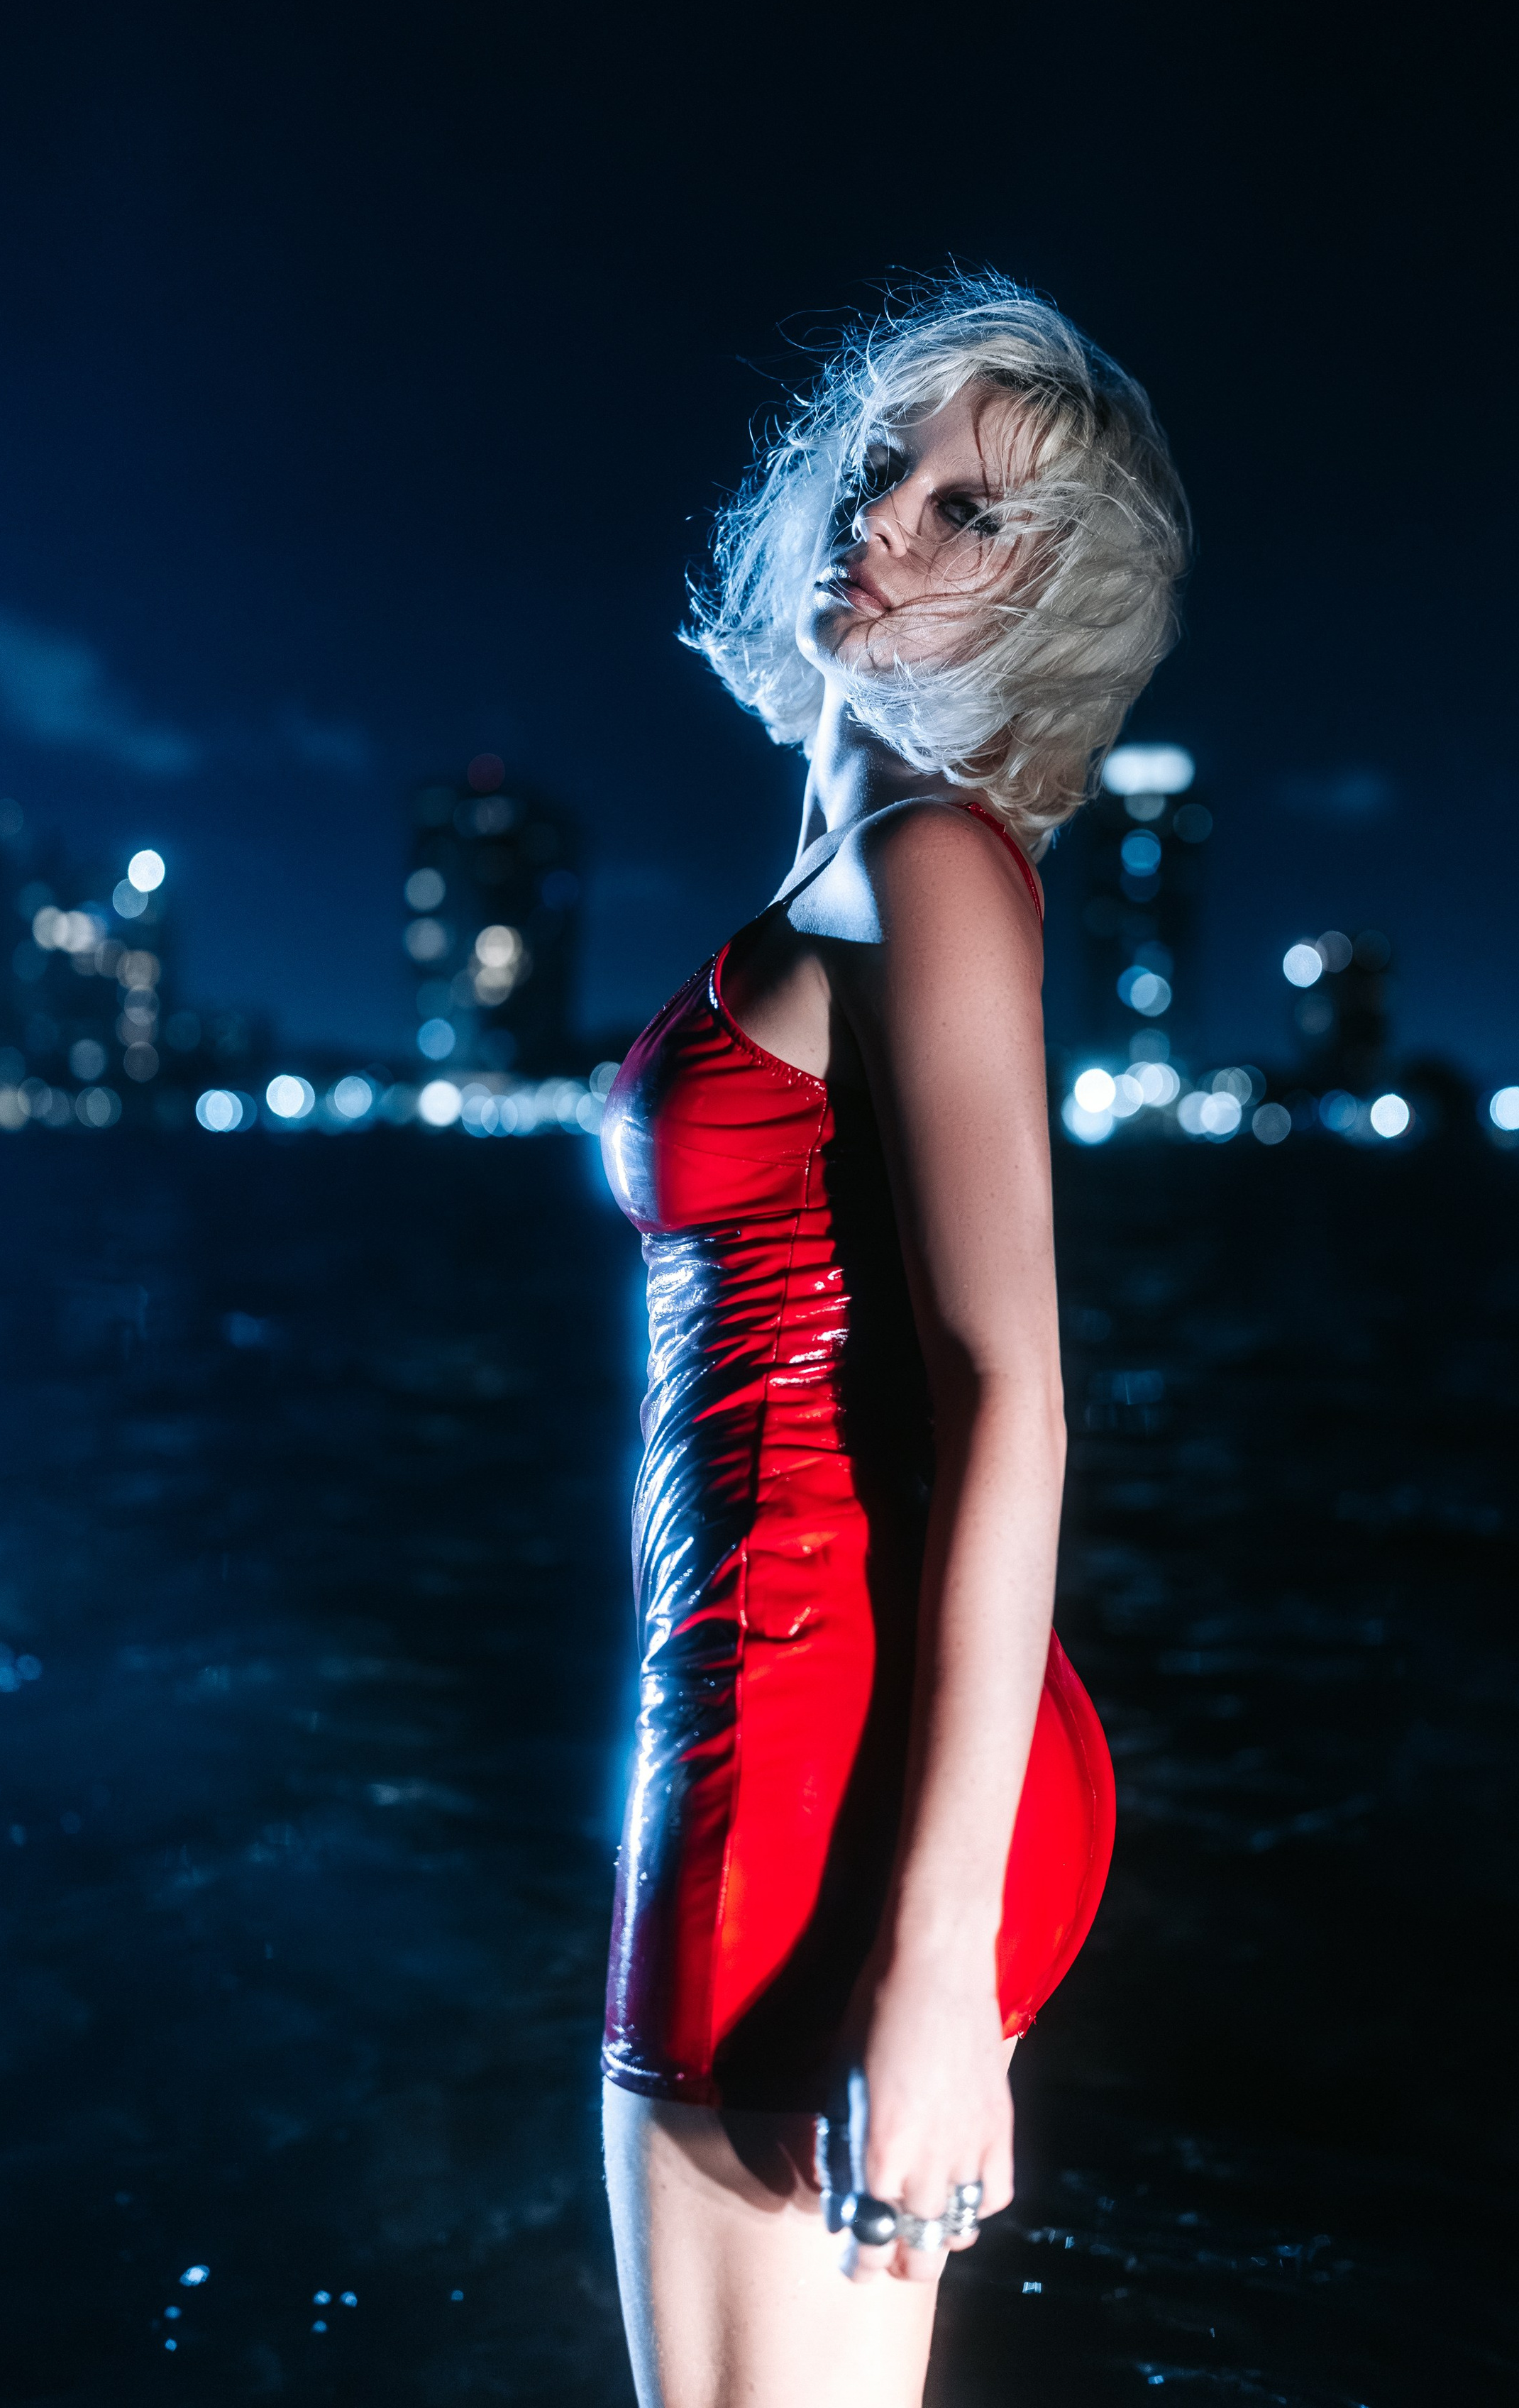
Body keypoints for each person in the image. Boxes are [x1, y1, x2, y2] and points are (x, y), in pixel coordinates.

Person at [597, 273, 1188, 2407]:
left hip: (827, 1764)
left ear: (1054, 601)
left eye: (974, 518)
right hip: (792, 1723)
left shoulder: (933, 863)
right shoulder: (859, 861)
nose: (892, 523)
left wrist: (930, 1977)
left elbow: (1014, 1390)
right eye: (884, 471)